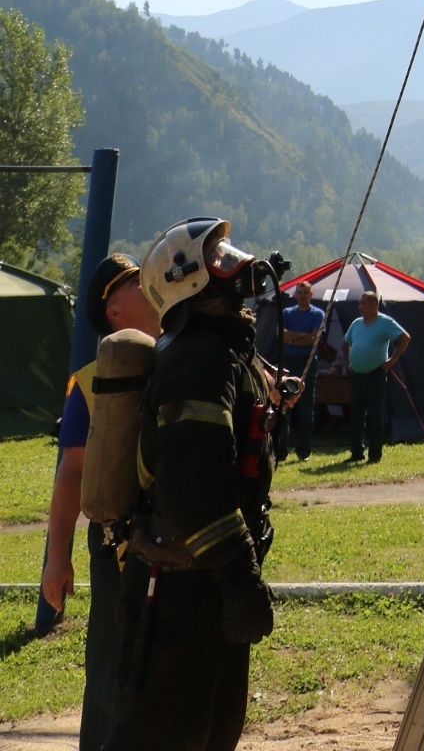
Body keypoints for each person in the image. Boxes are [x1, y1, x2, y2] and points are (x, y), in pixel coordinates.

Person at [103, 219, 277, 751]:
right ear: (187, 278)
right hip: (176, 591)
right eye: (219, 257)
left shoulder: (222, 354)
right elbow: (191, 489)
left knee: (208, 735)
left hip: (203, 588)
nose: (236, 264)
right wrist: (240, 576)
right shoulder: (197, 358)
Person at [40, 254, 160, 751]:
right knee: (112, 665)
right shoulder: (92, 380)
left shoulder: (185, 359)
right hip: (119, 541)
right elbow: (71, 472)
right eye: (135, 283)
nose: (147, 286)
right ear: (113, 310)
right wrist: (56, 557)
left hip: (178, 536)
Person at [342, 289, 409, 464]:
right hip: (357, 375)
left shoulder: (385, 322)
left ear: (374, 304)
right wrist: (348, 362)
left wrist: (392, 360)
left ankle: (374, 454)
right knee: (356, 414)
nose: (360, 307)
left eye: (363, 303)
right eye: (359, 304)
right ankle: (356, 451)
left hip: (375, 375)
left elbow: (405, 338)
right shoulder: (356, 323)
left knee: (375, 415)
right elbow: (345, 342)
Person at [277, 279, 324, 462]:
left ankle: (303, 451)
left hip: (307, 363)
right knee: (284, 405)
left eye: (306, 293)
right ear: (295, 294)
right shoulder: (286, 313)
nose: (302, 296)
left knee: (306, 408)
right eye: (300, 292)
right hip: (288, 363)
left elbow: (314, 339)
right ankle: (281, 451)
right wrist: (301, 337)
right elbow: (280, 334)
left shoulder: (317, 314)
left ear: (311, 295)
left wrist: (292, 338)